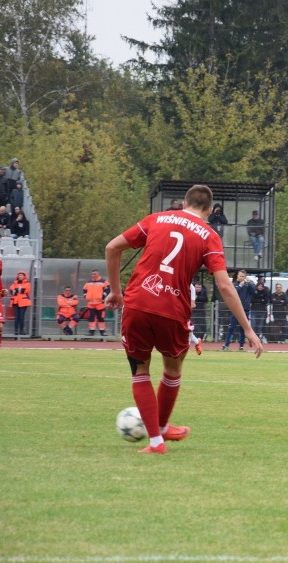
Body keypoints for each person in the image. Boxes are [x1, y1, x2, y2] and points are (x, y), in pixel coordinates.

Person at [105, 184, 262, 454]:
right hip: (172, 308)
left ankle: (158, 437)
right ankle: (161, 432)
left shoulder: (156, 219)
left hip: (138, 302)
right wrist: (247, 328)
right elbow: (225, 286)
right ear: (210, 211)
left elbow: (112, 247)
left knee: (140, 371)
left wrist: (116, 291)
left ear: (185, 202)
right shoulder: (209, 235)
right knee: (173, 368)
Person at [222, 270, 253, 351]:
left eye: (243, 276)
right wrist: (240, 286)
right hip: (236, 310)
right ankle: (226, 345)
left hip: (245, 309)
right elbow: (233, 293)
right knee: (231, 327)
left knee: (243, 329)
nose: (242, 278)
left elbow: (253, 292)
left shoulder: (248, 285)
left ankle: (241, 346)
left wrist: (251, 283)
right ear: (237, 276)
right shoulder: (234, 284)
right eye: (240, 276)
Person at [83, 269, 111, 336]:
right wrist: (85, 296)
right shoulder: (88, 282)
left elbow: (108, 289)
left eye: (95, 274)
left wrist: (103, 296)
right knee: (91, 317)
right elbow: (84, 289)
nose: (93, 275)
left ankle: (102, 332)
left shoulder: (103, 281)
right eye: (92, 274)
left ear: (98, 274)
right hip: (90, 304)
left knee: (100, 318)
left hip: (100, 303)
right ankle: (91, 331)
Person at [8, 270, 32, 336]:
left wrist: (17, 289)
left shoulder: (27, 283)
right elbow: (12, 291)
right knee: (16, 317)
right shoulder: (14, 283)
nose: (20, 276)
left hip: (23, 303)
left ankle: (21, 330)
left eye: (21, 275)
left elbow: (25, 290)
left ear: (24, 276)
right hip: (15, 302)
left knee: (22, 317)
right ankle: (16, 331)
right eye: (19, 275)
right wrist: (18, 289)